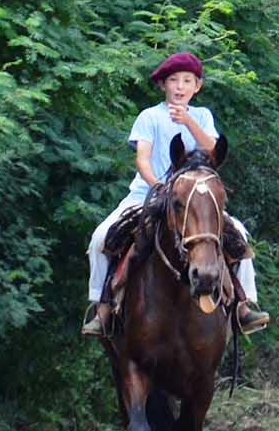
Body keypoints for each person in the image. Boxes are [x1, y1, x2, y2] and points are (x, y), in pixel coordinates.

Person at [82, 51, 269, 337]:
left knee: (239, 235)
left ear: (198, 86)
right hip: (147, 193)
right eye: (173, 81)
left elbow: (213, 151)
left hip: (196, 199)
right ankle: (102, 307)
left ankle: (244, 305)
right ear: (163, 85)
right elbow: (142, 159)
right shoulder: (149, 116)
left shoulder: (203, 116)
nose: (180, 86)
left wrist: (189, 122)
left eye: (187, 81)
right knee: (100, 237)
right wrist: (159, 185)